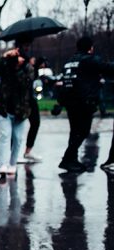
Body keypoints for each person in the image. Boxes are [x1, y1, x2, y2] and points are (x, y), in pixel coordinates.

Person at [56, 36, 114, 172]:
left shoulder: (70, 61)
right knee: (83, 131)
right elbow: (108, 69)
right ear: (90, 48)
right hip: (84, 101)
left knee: (74, 132)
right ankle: (67, 159)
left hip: (70, 101)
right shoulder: (90, 60)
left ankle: (72, 160)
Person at [0, 35, 35, 176]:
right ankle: (3, 164)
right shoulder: (6, 64)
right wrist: (4, 57)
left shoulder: (27, 67)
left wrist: (19, 67)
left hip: (21, 110)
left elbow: (26, 82)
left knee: (18, 138)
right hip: (5, 108)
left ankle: (12, 163)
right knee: (5, 136)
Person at [20, 56, 47, 163]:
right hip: (24, 100)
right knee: (18, 126)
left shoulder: (34, 71)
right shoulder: (28, 69)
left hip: (30, 100)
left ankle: (27, 151)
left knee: (34, 123)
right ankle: (17, 153)